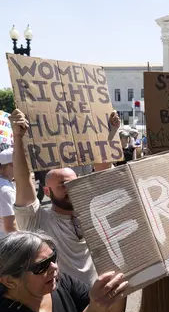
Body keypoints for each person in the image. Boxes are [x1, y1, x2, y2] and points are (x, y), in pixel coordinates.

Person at [9, 109, 120, 285]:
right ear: (46, 191)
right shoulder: (38, 220)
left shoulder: (91, 213)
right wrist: (18, 137)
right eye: (62, 185)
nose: (70, 188)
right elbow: (23, 181)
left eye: (72, 183)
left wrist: (108, 132)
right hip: (60, 304)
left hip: (93, 302)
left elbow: (104, 174)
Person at [0, 231, 127, 312]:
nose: (54, 267)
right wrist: (93, 311)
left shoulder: (62, 282)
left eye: (53, 257)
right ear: (9, 281)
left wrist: (120, 283)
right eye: (41, 266)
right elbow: (97, 310)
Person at [0, 148, 16, 237]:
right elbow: (11, 227)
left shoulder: (6, 184)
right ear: (11, 164)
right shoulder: (5, 190)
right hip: (8, 241)